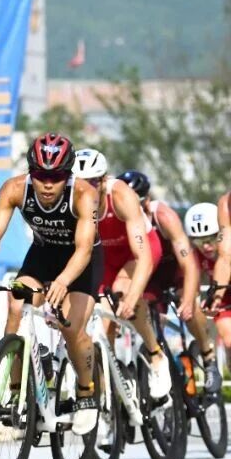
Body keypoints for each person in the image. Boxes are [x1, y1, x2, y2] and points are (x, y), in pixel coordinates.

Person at [0, 134, 101, 434]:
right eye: (41, 176)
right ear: (31, 172)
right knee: (16, 305)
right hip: (43, 255)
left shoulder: (84, 194)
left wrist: (64, 280)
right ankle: (16, 394)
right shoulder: (14, 189)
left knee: (71, 327)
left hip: (82, 262)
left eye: (56, 177)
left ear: (68, 175)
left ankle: (86, 391)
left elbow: (84, 250)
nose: (48, 184)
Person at [70, 150, 169, 398]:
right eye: (80, 183)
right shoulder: (72, 201)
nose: (86, 189)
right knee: (104, 322)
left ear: (104, 180)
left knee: (123, 294)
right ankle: (109, 388)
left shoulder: (121, 196)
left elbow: (143, 257)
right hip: (106, 257)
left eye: (92, 182)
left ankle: (156, 353)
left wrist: (133, 297)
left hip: (137, 251)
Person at [121, 169, 212, 368]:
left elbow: (189, 264)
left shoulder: (164, 217)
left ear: (147, 200)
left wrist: (188, 299)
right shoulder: (124, 219)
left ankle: (208, 355)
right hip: (150, 274)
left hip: (175, 270)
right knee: (146, 312)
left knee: (189, 307)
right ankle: (156, 361)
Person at [185, 202, 228, 388]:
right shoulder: (196, 255)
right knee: (229, 339)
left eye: (211, 239)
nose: (206, 246)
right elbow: (192, 281)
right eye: (199, 241)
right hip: (221, 299)